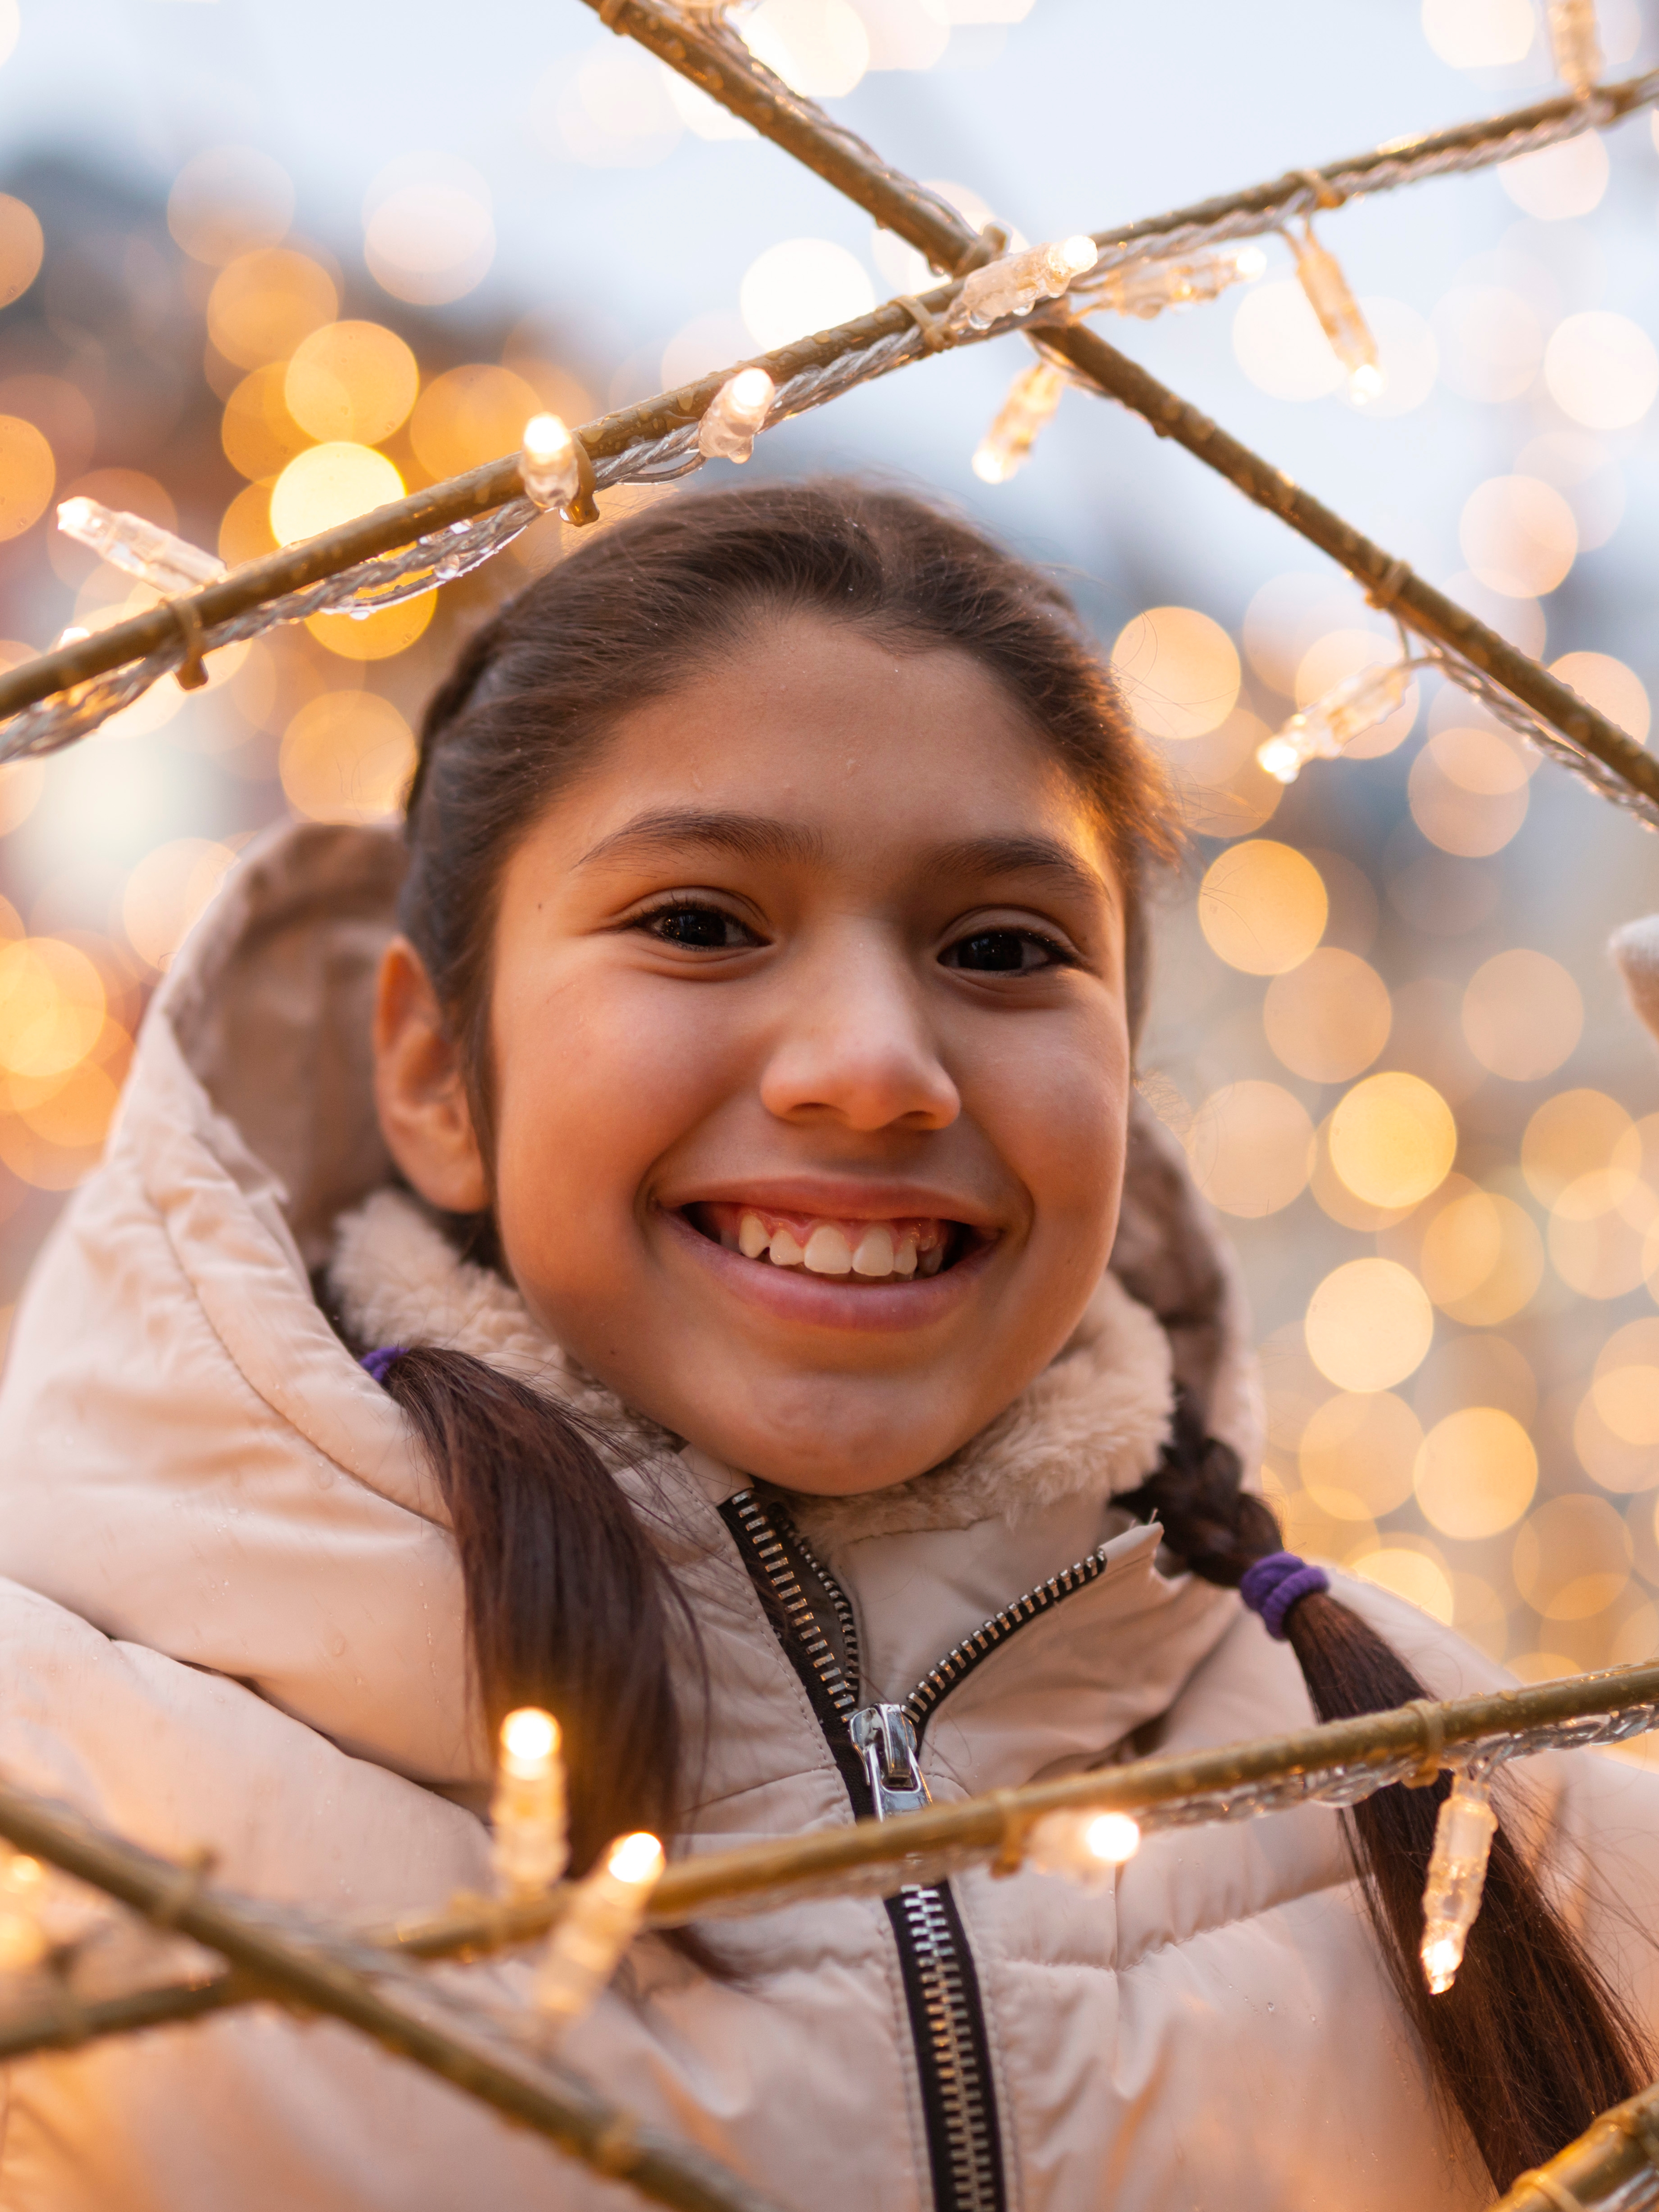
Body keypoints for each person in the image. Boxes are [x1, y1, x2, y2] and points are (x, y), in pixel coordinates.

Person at [0, 480, 1652, 2212]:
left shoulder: (1480, 1788)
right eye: (703, 922)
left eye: (1003, 949)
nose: (874, 1064)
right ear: (432, 1068)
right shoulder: (65, 1796)